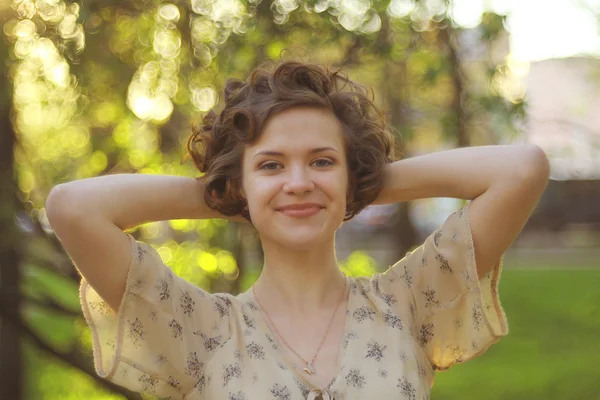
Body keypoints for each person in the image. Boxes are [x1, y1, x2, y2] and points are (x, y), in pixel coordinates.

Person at [46, 60, 550, 399]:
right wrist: (234, 191)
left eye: (321, 161)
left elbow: (521, 168)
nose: (298, 182)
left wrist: (356, 182)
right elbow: (73, 207)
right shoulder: (201, 330)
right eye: (271, 165)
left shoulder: (409, 304)